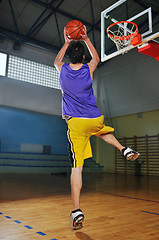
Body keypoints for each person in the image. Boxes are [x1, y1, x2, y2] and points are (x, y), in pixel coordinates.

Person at [54, 26, 140, 230]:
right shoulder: (88, 69)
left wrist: (67, 42)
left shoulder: (63, 69)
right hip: (94, 118)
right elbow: (97, 59)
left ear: (69, 56)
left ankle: (76, 211)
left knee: (77, 168)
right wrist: (86, 38)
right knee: (101, 131)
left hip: (76, 123)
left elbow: (56, 61)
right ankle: (123, 149)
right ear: (83, 57)